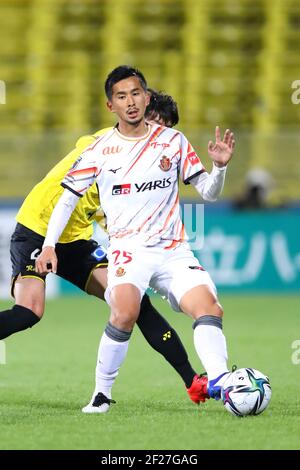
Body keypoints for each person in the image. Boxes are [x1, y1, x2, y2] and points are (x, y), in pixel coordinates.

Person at [36, 65, 235, 413]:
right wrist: (50, 245)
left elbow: (209, 192)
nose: (130, 102)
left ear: (146, 97)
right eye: (121, 96)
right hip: (129, 250)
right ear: (110, 104)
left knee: (209, 309)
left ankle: (221, 382)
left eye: (136, 94)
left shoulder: (173, 141)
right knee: (125, 312)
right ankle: (101, 393)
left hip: (173, 250)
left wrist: (219, 168)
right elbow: (67, 198)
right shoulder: (100, 149)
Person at [0, 89, 208, 407]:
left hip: (78, 239)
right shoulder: (105, 144)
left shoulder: (144, 172)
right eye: (156, 124)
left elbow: (117, 216)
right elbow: (84, 161)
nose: (159, 136)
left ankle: (193, 381)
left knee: (132, 303)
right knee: (30, 311)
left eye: (165, 130)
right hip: (37, 230)